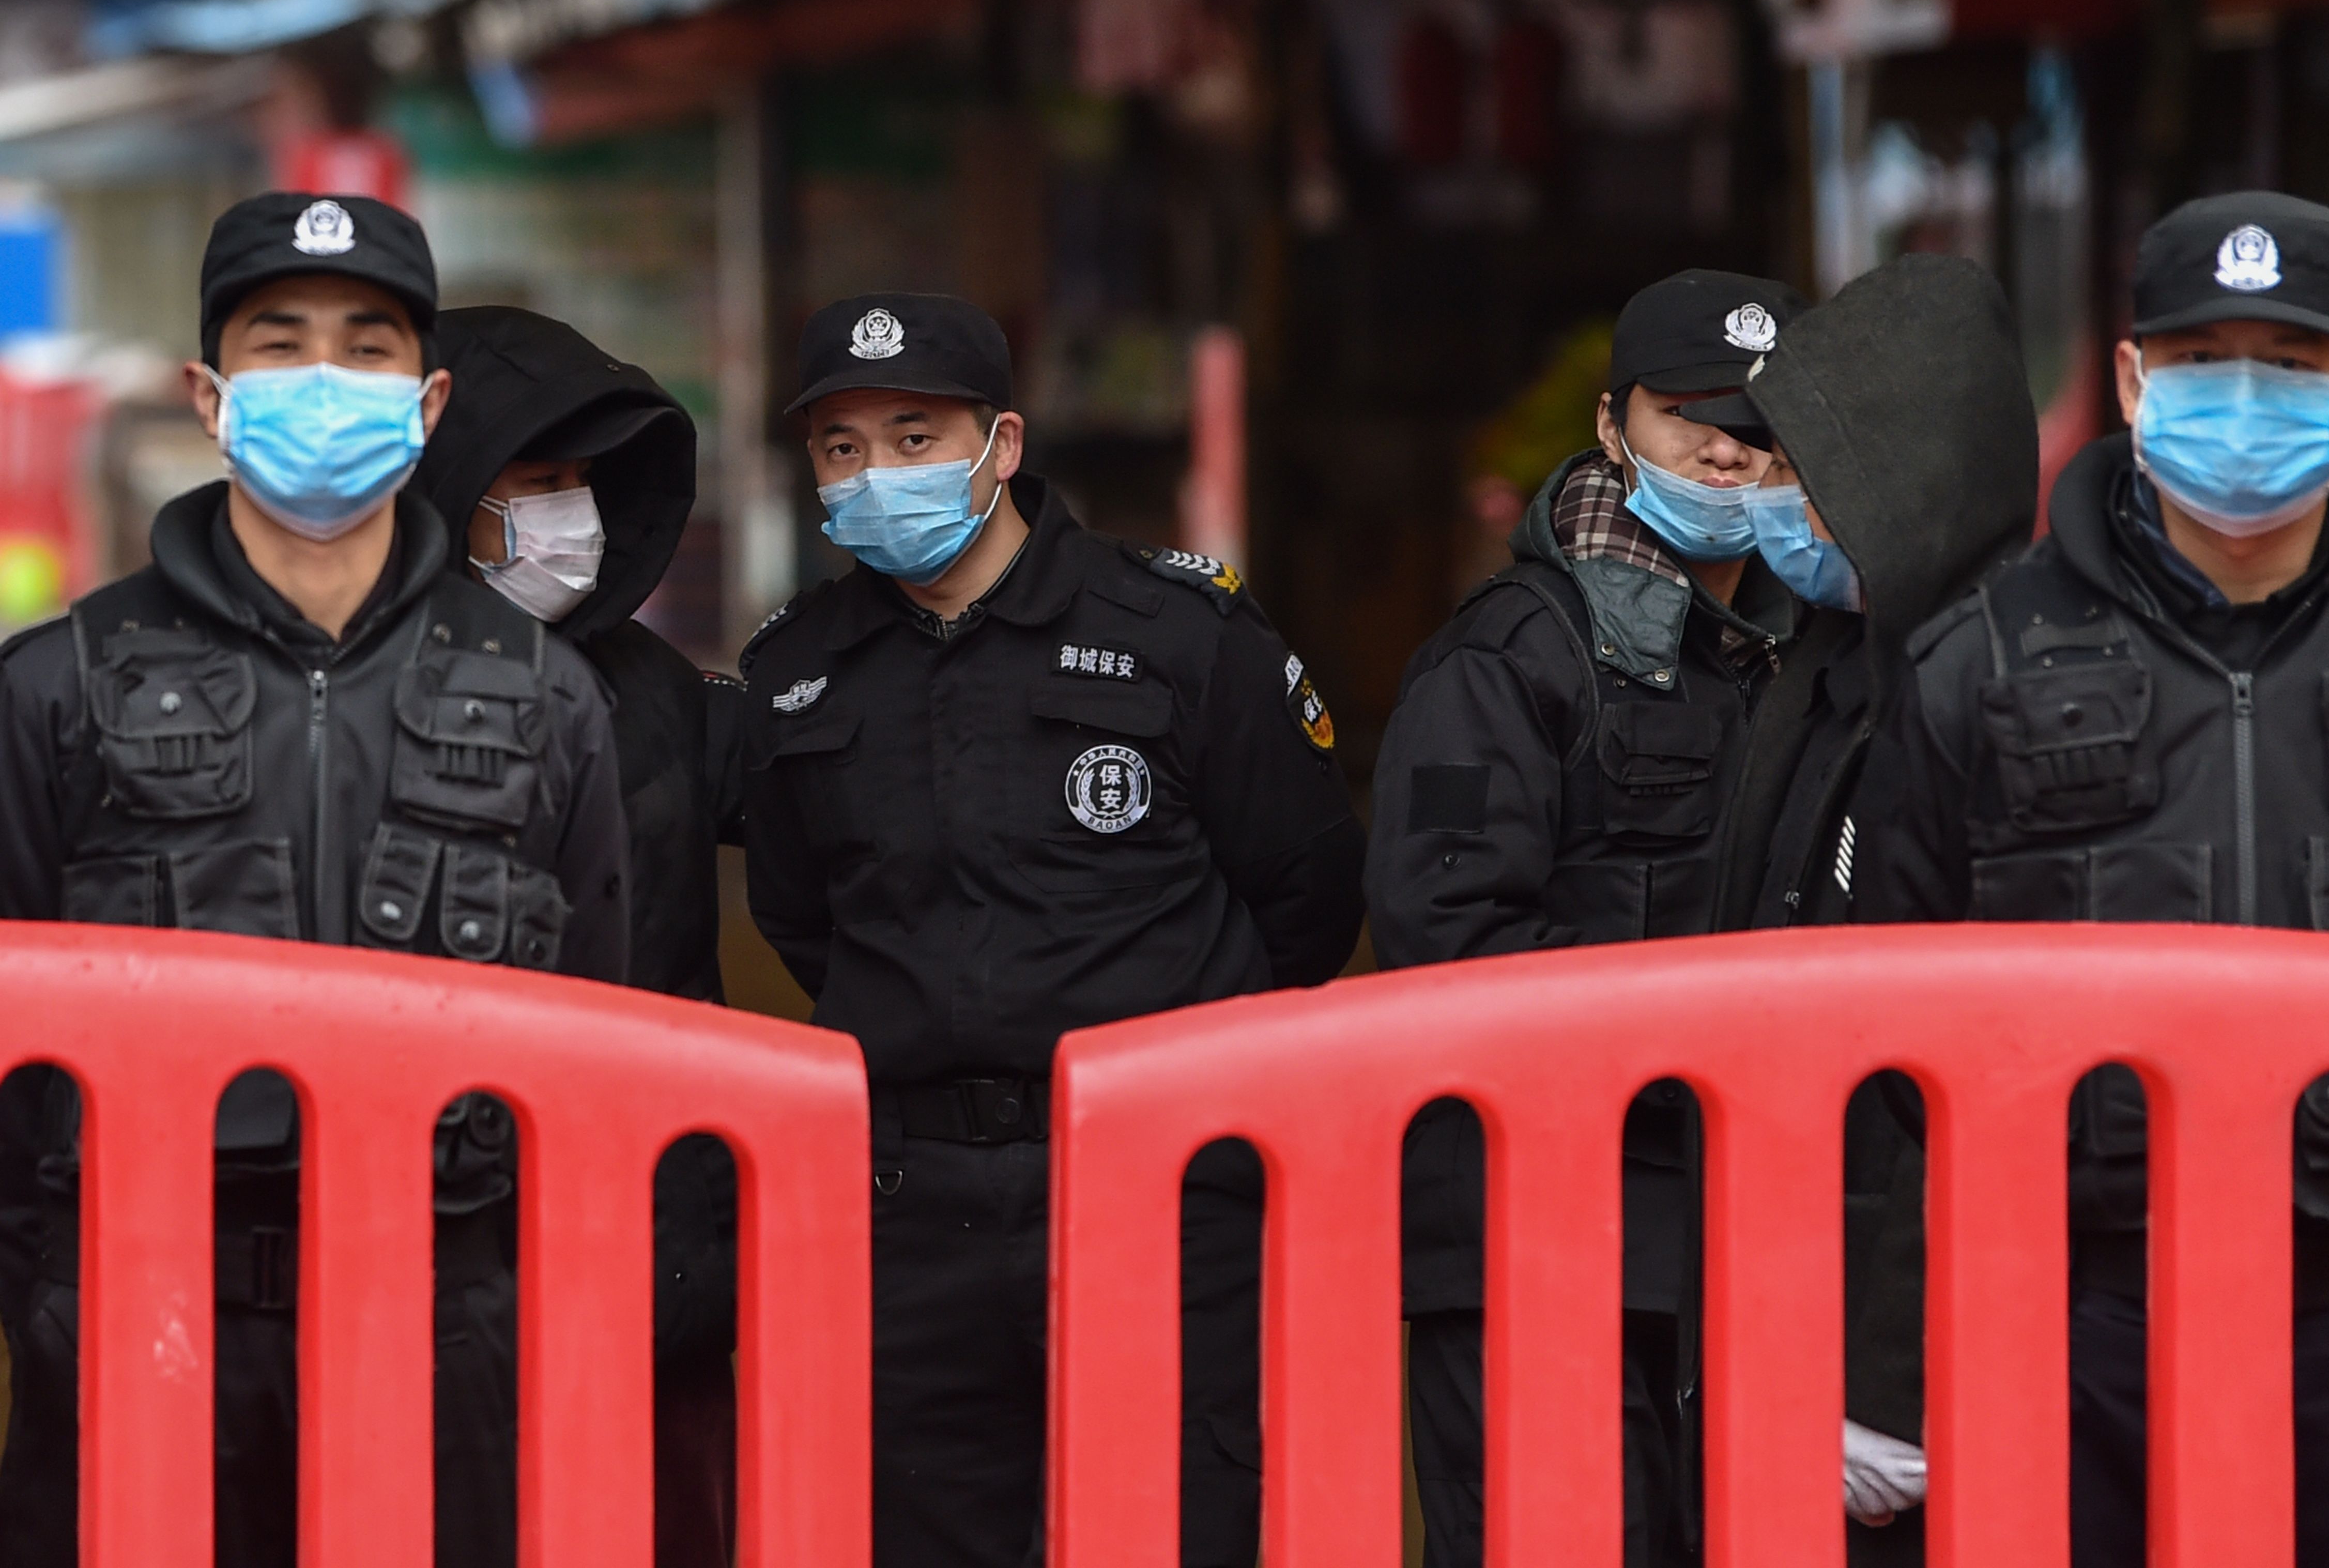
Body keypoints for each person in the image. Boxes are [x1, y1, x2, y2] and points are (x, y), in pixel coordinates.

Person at [1855, 190, 2329, 1568]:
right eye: (2199, 362)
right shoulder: (1977, 662)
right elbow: (1869, 1048)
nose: (2244, 402)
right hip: (2066, 1318)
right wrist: (1875, 1363)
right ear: (2128, 382)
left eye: (2288, 368)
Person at [0, 194, 630, 1568]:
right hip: (135, 1324)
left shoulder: (548, 697)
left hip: (449, 1339)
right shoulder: (59, 687)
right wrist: (49, 1298)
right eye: (281, 348)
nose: (324, 383)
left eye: (367, 347)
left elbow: (603, 1048)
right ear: (211, 397)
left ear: (430, 396)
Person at [739, 293, 1365, 1568]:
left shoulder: (1178, 637)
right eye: (842, 448)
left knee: (1175, 1523)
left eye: (914, 437)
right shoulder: (796, 672)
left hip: (1155, 1185)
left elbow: (1306, 894)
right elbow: (804, 918)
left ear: (1003, 444)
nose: (876, 475)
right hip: (910, 1207)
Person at [1366, 268, 1806, 1568]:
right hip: (1535, 1247)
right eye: (1693, 421)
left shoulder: (1816, 655)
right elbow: (1443, 938)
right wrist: (1707, 1044)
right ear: (1616, 429)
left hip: (1743, 1244)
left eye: (1766, 431)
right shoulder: (1506, 659)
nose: (1731, 454)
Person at [411, 305, 741, 1568]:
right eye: (536, 481)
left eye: (585, 483)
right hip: (435, 1261)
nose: (571, 516)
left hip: (655, 1256)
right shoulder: (350, 696)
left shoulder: (661, 697)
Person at [1730, 253, 2042, 1563]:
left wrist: (1891, 1367)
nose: (1781, 507)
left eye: (1817, 475)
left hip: (1920, 1340)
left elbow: (1969, 1072)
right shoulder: (1822, 670)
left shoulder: (1994, 698)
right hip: (1789, 1281)